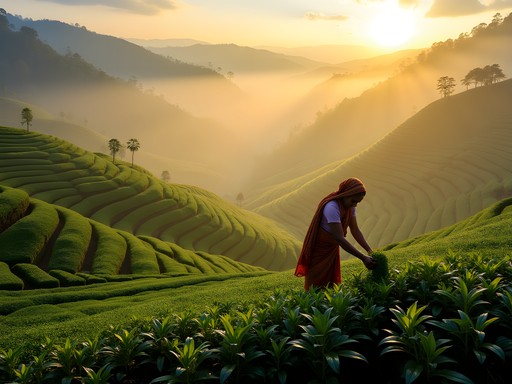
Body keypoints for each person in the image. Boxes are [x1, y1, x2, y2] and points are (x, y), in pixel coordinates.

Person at [294, 177, 377, 290]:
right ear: (346, 194)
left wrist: (370, 251)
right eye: (353, 201)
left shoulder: (350, 206)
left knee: (331, 286)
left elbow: (355, 229)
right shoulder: (332, 207)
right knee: (315, 286)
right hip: (319, 251)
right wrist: (363, 258)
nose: (355, 205)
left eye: (358, 202)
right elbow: (339, 238)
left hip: (331, 250)